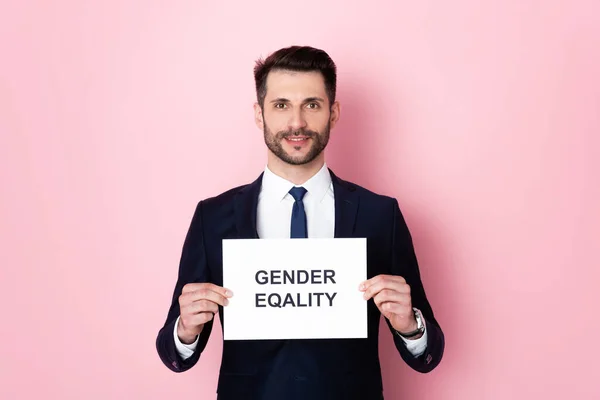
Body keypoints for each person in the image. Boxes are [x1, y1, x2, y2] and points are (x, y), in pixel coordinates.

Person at [155, 45, 444, 400]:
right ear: (260, 115)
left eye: (312, 104)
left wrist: (410, 326)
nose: (297, 123)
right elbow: (174, 356)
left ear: (333, 112)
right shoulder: (212, 217)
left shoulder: (379, 215)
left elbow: (428, 356)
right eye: (281, 106)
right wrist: (185, 329)